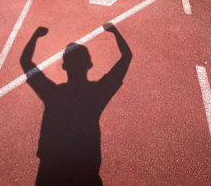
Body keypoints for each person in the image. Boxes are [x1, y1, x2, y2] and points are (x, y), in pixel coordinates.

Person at [20, 23, 132, 186]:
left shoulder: (53, 94)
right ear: (90, 65)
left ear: (64, 66)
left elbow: (25, 61)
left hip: (51, 170)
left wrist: (36, 35)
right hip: (86, 170)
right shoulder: (97, 93)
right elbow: (126, 57)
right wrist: (115, 32)